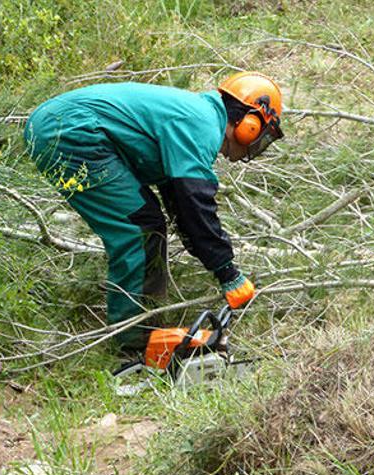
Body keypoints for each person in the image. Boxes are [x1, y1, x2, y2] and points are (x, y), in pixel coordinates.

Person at [23, 71, 283, 355]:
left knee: (148, 223)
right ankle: (134, 345)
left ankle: (143, 331)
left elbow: (180, 207)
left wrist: (219, 263)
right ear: (250, 125)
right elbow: (195, 204)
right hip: (71, 131)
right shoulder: (203, 124)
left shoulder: (198, 116)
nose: (257, 145)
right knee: (138, 230)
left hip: (59, 126)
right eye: (262, 136)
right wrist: (228, 273)